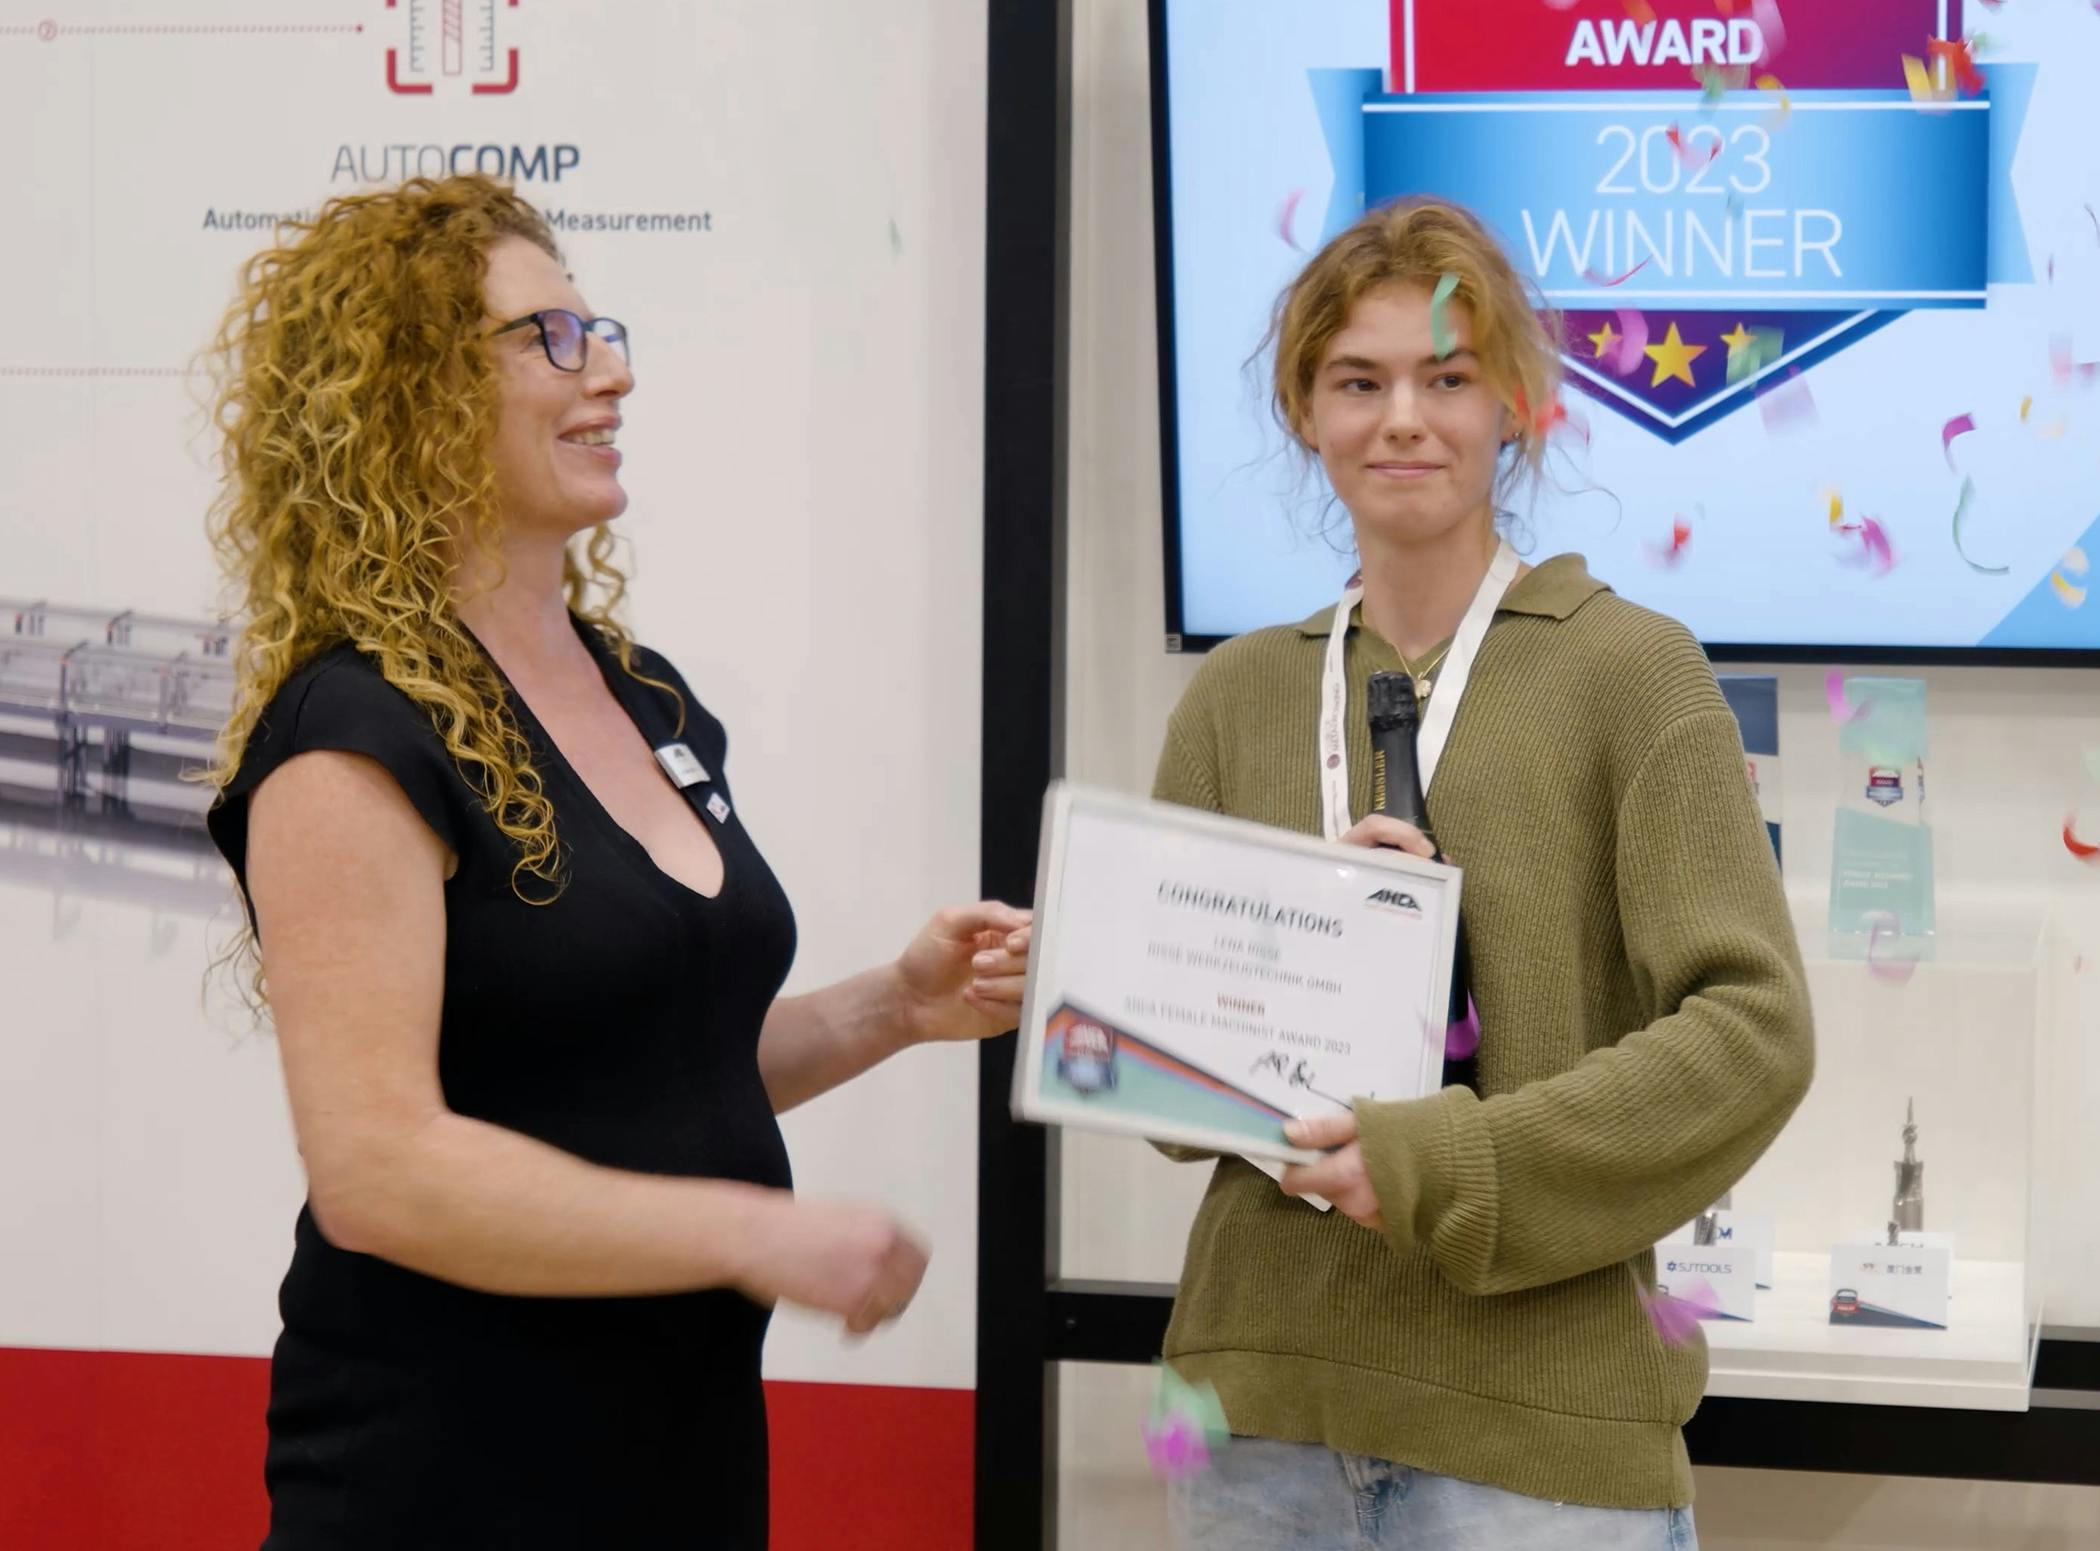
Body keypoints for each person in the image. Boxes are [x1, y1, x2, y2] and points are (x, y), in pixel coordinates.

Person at [200, 174, 1031, 1549]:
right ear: (409, 393)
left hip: (677, 1462)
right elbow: (378, 1169)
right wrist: (748, 1235)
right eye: (554, 340)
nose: (616, 373)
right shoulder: (347, 734)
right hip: (451, 1482)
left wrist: (894, 1006)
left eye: (602, 331)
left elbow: (631, 1072)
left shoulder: (639, 692)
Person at [1150, 198, 1814, 1548]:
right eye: (1359, 381)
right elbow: (1171, 1094)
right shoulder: (1235, 696)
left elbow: (1754, 1035)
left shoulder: (1632, 672)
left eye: (1447, 378)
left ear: (1516, 404)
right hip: (1258, 1421)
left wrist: (1443, 1161)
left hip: (1539, 1447)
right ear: (1304, 415)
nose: (1404, 418)